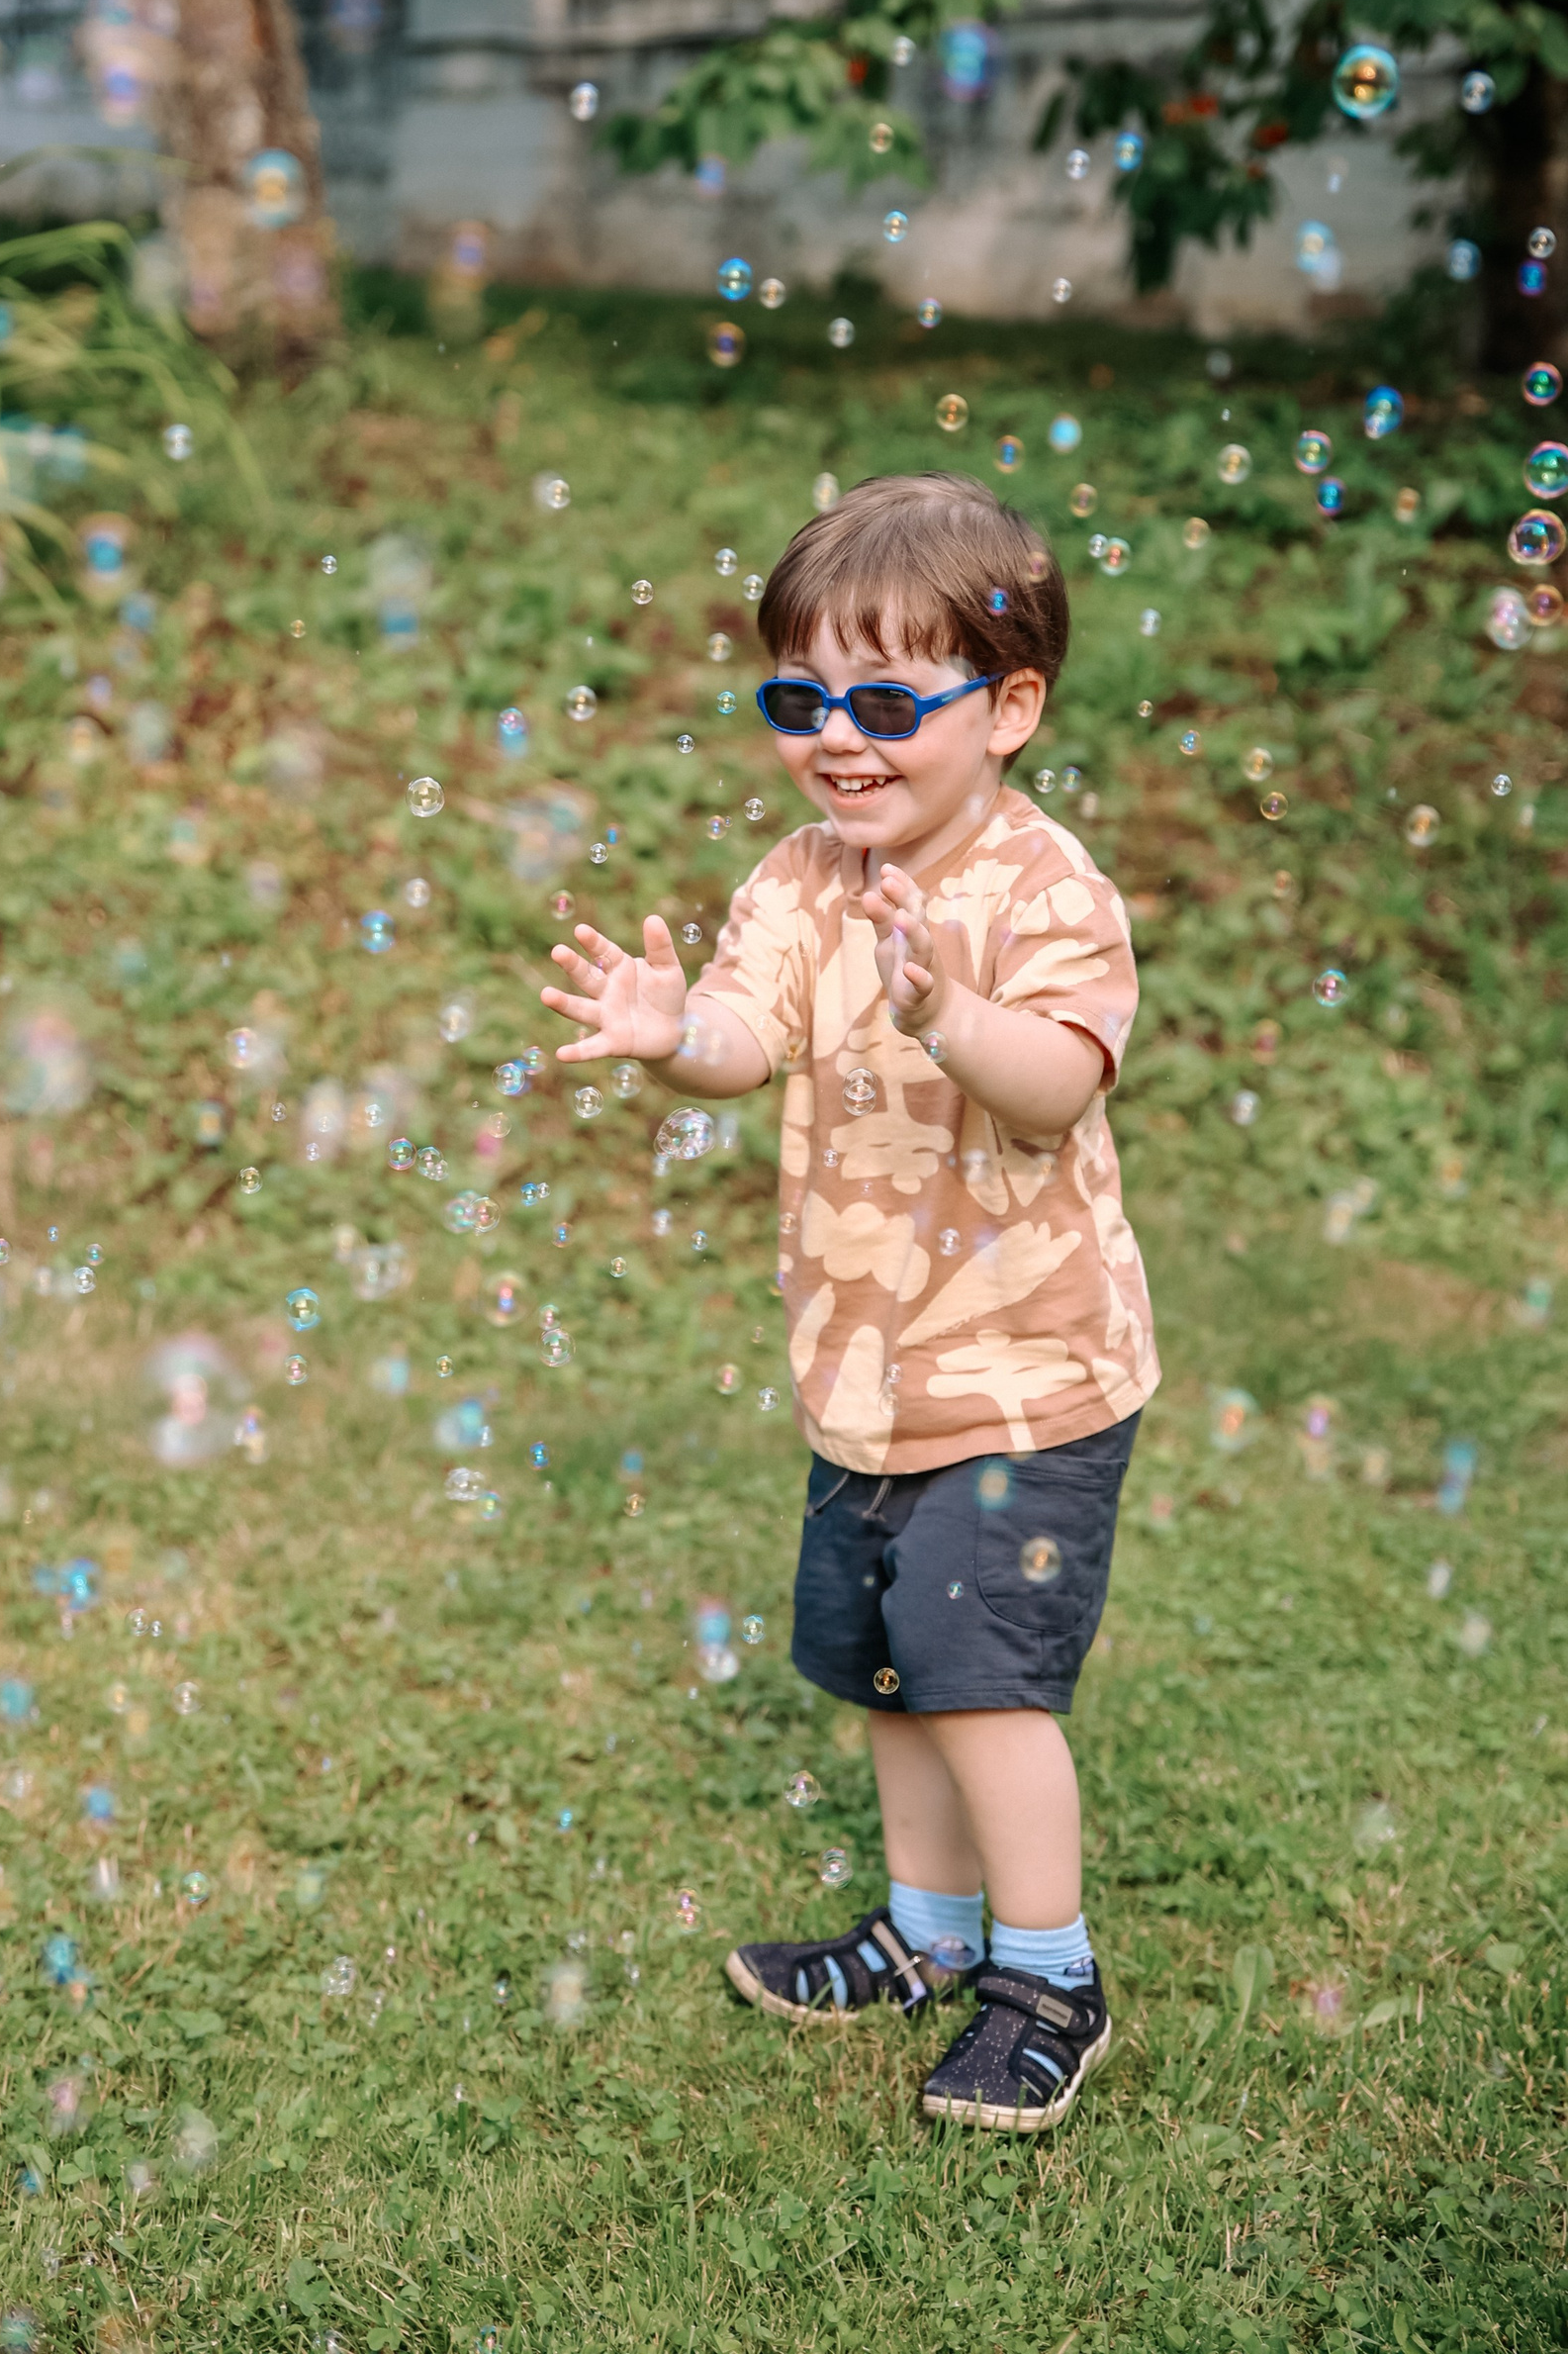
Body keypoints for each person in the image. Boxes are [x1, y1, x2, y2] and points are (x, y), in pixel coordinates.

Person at [538, 470, 1157, 2135]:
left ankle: (1051, 1976)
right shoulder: (801, 879)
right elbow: (747, 1036)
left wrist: (947, 1009)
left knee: (981, 1680)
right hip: (866, 1371)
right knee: (885, 1666)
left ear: (1009, 708)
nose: (838, 737)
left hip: (1026, 1378)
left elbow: (1058, 1082)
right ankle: (925, 1932)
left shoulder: (1045, 890)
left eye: (887, 702)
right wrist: (674, 1037)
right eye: (800, 699)